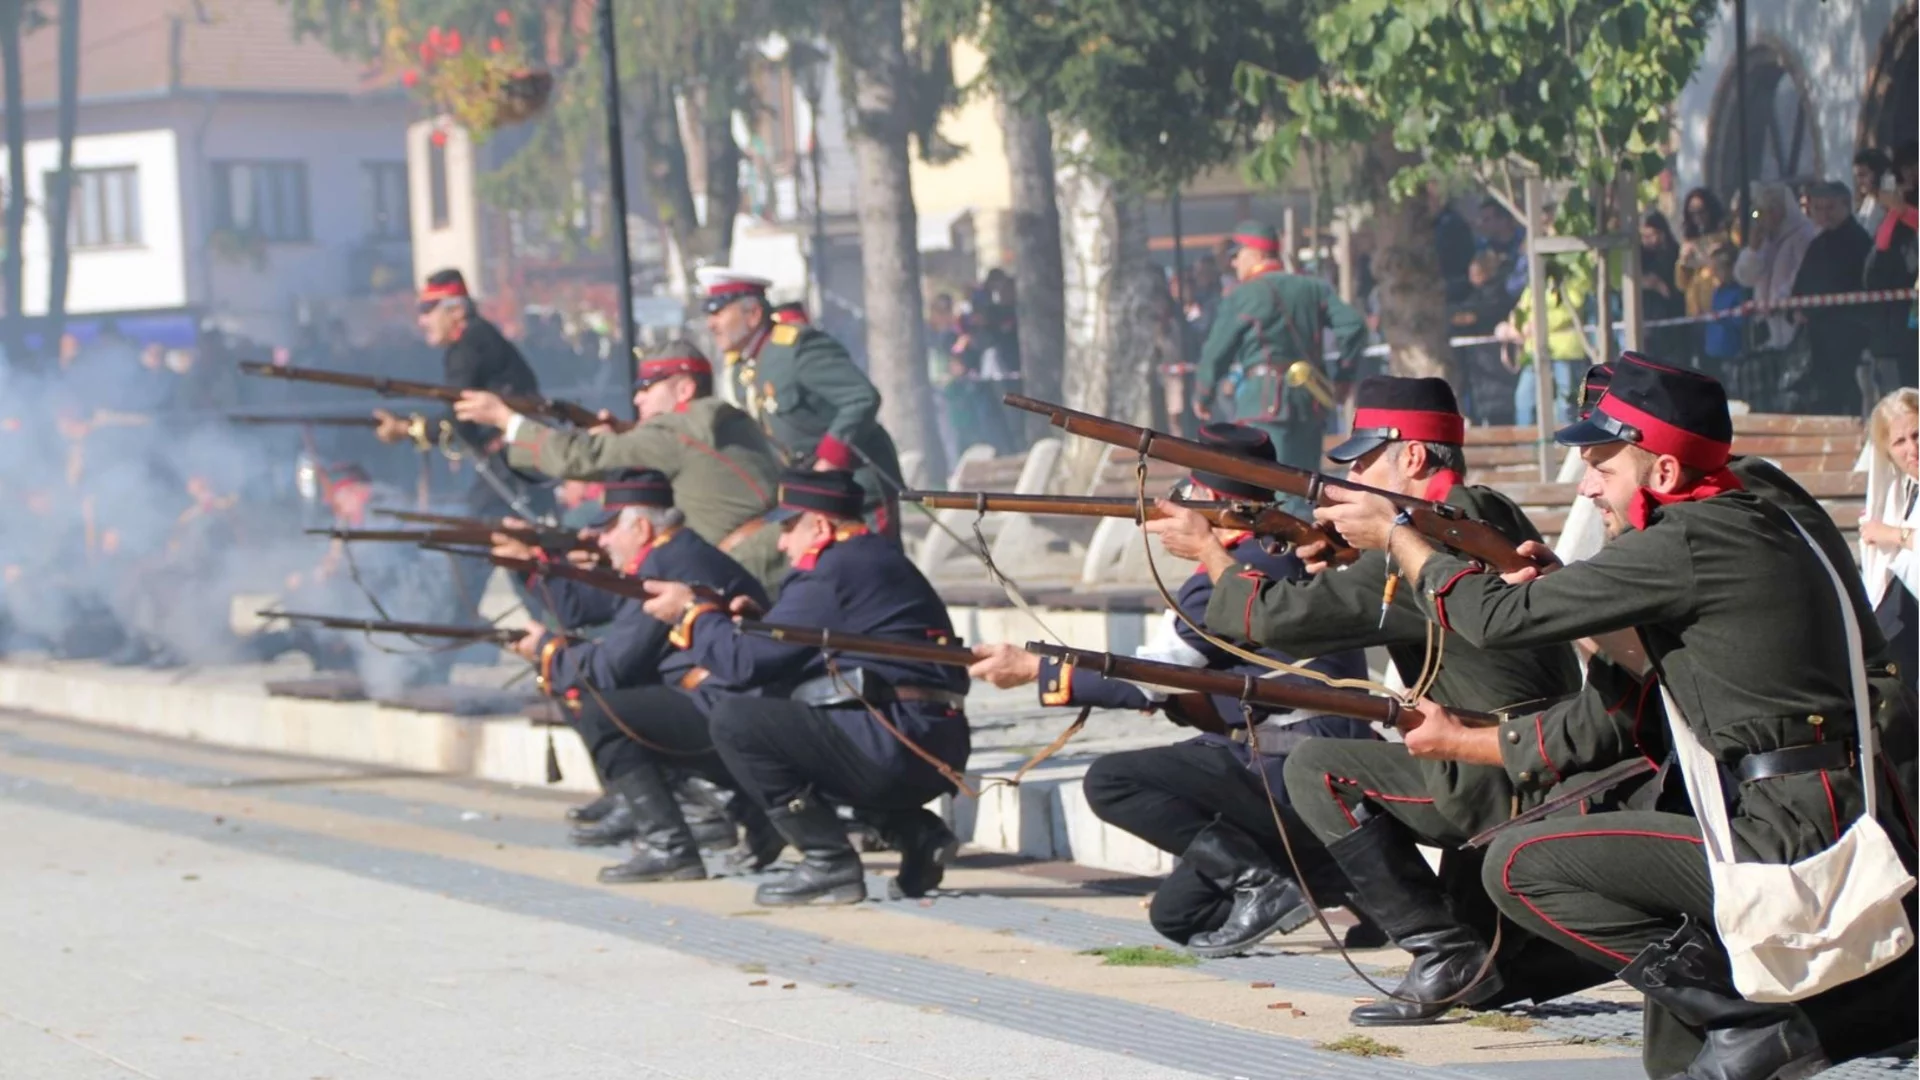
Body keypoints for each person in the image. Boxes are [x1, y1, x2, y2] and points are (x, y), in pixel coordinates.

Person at [1314, 352, 1918, 1080]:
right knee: (1673, 1057)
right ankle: (1766, 1020)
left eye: (1603, 462)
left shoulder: (1690, 535)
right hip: (1787, 803)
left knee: (1521, 864)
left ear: (1661, 473)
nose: (1587, 484)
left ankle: (1760, 1020)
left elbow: (1499, 620)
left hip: (1789, 826)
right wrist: (1579, 603)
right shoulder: (1736, 518)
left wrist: (1400, 538)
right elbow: (1669, 670)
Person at [1146, 376, 1585, 1025]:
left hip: (1498, 771)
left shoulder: (1421, 545)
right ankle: (1482, 953)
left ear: (1410, 457)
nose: (1352, 479)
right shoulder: (1484, 508)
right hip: (1542, 756)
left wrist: (1212, 553)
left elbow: (1275, 620)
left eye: (1364, 462)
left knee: (1315, 768)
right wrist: (1344, 551)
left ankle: (1441, 950)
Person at [968, 424, 1377, 957]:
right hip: (1311, 757)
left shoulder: (1242, 568)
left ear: (1210, 501)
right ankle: (1338, 877)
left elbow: (1158, 675)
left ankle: (1265, 883)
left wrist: (1038, 669)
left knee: (1112, 781)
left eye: (1188, 498)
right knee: (1178, 916)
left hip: (1292, 765)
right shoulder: (1277, 552)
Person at [639, 469, 968, 906]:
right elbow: (804, 643)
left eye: (789, 527)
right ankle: (914, 832)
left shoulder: (832, 569)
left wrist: (693, 614)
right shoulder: (867, 560)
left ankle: (827, 861)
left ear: (820, 526)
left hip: (896, 743)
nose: (781, 543)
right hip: (922, 737)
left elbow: (743, 662)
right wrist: (757, 621)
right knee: (772, 708)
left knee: (737, 720)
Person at [499, 469, 775, 882]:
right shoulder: (666, 554)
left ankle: (671, 845)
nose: (602, 540)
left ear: (641, 527)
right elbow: (579, 609)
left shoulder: (670, 564)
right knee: (593, 693)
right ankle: (711, 811)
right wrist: (531, 565)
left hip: (729, 706)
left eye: (610, 530)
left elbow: (613, 669)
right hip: (721, 699)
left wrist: (545, 650)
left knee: (600, 709)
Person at [457, 341, 786, 591]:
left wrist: (507, 420)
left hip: (742, 572)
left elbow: (581, 457)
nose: (638, 399)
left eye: (648, 387)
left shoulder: (675, 432)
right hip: (764, 560)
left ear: (684, 388)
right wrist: (622, 436)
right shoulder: (720, 421)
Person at [374, 269, 551, 616]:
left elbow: (457, 423)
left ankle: (456, 639)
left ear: (456, 310)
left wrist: (406, 430)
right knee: (511, 554)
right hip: (513, 462)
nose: (422, 320)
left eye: (429, 309)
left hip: (512, 465)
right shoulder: (473, 342)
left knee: (485, 549)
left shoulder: (469, 346)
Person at [698, 267, 904, 541]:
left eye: (719, 313)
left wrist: (829, 458)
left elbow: (861, 397)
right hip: (810, 491)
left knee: (875, 573)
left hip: (858, 488)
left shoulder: (797, 348)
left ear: (753, 315)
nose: (711, 324)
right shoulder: (741, 367)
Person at [1191, 220, 1366, 482]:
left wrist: (1203, 394)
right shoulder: (1313, 287)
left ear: (1256, 253)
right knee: (1305, 486)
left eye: (1237, 255)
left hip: (1263, 404)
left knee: (1266, 487)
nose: (1235, 263)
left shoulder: (1243, 295)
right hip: (1311, 401)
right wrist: (1345, 376)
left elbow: (1217, 351)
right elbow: (1353, 327)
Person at [1789, 181, 1874, 415]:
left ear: (1846, 206)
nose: (1825, 214)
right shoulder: (1818, 243)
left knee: (1843, 396)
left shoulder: (1858, 241)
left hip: (1847, 334)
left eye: (1831, 207)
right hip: (1818, 335)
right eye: (1819, 208)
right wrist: (1796, 308)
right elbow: (1802, 282)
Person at [1862, 388, 1918, 693]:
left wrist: (1890, 534)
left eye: (1917, 434)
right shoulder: (1904, 494)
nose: (1912, 449)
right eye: (1899, 441)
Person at [1734, 182, 1819, 351]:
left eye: (1770, 211)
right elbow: (1745, 278)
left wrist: (1780, 299)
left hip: (1793, 319)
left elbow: (1804, 272)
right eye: (1761, 212)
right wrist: (1752, 251)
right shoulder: (1764, 240)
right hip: (1768, 323)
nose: (1765, 217)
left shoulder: (1803, 234)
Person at [1862, 161, 1918, 397]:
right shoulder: (1891, 219)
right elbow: (1877, 265)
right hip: (1902, 321)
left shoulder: (1907, 217)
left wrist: (1903, 210)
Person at [1676, 188, 1732, 329]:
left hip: (1718, 310)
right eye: (1692, 213)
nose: (1697, 218)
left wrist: (1714, 256)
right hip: (1694, 312)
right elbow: (1681, 284)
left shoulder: (1724, 238)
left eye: (1701, 211)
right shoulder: (1690, 241)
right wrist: (1683, 262)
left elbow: (1727, 275)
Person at [1638, 210, 1687, 362]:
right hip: (1649, 324)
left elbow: (1675, 288)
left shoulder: (1673, 253)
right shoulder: (1641, 256)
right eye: (1644, 236)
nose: (1648, 241)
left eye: (1652, 235)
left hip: (1673, 322)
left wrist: (1659, 284)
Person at [1700, 245, 1750, 380]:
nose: (1715, 272)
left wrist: (1723, 318)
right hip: (1712, 352)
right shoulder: (1717, 291)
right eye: (1713, 268)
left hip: (1731, 353)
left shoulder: (1740, 292)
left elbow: (1741, 321)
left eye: (1719, 268)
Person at [1854, 148, 1893, 236]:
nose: (1859, 181)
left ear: (1878, 173)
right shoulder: (1868, 201)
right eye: (1857, 176)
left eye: (1863, 175)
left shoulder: (1890, 204)